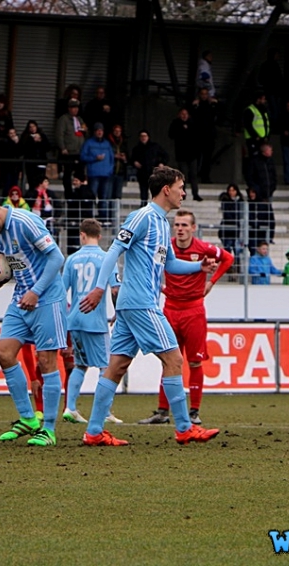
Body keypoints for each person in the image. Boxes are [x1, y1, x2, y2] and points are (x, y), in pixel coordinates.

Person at [77, 166, 220, 446]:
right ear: (166, 189)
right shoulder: (142, 217)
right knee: (175, 360)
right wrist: (98, 287)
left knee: (117, 366)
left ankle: (93, 432)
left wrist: (198, 267)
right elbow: (114, 251)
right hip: (142, 304)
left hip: (133, 306)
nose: (184, 192)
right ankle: (184, 428)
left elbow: (168, 264)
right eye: (181, 187)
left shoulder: (162, 223)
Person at [0, 195, 68, 447]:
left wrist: (36, 291)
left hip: (47, 298)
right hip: (21, 298)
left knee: (46, 361)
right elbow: (17, 264)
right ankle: (28, 419)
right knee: (4, 354)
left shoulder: (25, 222)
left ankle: (49, 429)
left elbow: (56, 258)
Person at [139, 209, 234, 426]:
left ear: (193, 228)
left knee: (194, 361)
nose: (180, 229)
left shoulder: (203, 249)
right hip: (170, 310)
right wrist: (160, 287)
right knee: (168, 361)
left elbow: (228, 258)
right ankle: (162, 412)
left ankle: (194, 412)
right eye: (177, 225)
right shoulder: (166, 247)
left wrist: (211, 282)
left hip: (194, 312)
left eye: (184, 225)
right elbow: (149, 266)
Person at [61, 219, 122, 425]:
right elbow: (115, 289)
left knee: (80, 364)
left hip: (75, 319)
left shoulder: (71, 259)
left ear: (82, 235)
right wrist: (117, 312)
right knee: (107, 366)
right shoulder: (106, 258)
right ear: (100, 236)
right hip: (95, 321)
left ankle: (70, 408)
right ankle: (104, 411)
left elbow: (62, 292)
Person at [80, 122, 115, 221]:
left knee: (103, 197)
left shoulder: (107, 143)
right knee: (92, 196)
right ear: (94, 132)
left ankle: (102, 218)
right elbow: (83, 156)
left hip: (106, 174)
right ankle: (90, 217)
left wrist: (110, 170)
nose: (100, 132)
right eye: (98, 130)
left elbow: (112, 158)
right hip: (93, 174)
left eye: (101, 130)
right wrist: (95, 158)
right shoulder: (88, 143)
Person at [168, 107, 202, 201]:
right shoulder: (175, 123)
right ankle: (182, 194)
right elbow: (171, 135)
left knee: (193, 175)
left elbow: (197, 136)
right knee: (183, 175)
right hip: (181, 154)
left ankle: (195, 194)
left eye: (185, 114)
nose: (184, 116)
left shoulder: (193, 123)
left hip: (192, 154)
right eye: (182, 114)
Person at [56, 99, 87, 194]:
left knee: (80, 174)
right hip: (69, 152)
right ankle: (68, 195)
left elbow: (84, 132)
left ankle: (79, 193)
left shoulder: (79, 119)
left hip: (79, 152)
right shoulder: (63, 119)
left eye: (77, 107)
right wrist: (63, 147)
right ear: (69, 108)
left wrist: (85, 130)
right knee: (68, 175)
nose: (75, 110)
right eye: (73, 107)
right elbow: (59, 134)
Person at [247, 143, 277, 242]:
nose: (272, 152)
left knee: (269, 217)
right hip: (258, 195)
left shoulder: (271, 162)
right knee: (259, 217)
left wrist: (272, 189)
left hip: (268, 194)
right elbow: (250, 177)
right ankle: (259, 237)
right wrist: (256, 191)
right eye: (270, 150)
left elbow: (273, 177)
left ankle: (269, 237)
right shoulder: (255, 161)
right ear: (265, 151)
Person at [130, 130, 168, 207]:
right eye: (141, 136)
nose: (143, 138)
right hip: (142, 173)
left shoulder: (155, 146)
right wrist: (134, 162)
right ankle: (143, 206)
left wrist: (161, 163)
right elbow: (131, 159)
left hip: (154, 173)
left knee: (155, 191)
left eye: (145, 136)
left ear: (148, 137)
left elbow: (165, 155)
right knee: (143, 192)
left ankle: (156, 206)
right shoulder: (136, 148)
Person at [191, 88, 218, 184]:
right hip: (197, 136)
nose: (204, 96)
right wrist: (194, 106)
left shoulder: (211, 106)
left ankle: (205, 177)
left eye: (206, 94)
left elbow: (217, 116)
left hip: (209, 136)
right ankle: (194, 177)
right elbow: (193, 118)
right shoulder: (195, 105)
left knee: (207, 159)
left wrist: (215, 104)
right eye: (202, 94)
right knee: (196, 158)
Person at [20, 120, 50, 190]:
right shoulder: (25, 137)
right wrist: (32, 141)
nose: (32, 128)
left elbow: (48, 147)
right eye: (30, 127)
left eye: (34, 126)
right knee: (31, 181)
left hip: (41, 162)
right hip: (30, 163)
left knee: (40, 180)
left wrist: (40, 141)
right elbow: (22, 149)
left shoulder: (42, 136)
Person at [218, 183, 245, 256]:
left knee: (237, 251)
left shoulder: (241, 202)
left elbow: (241, 214)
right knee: (228, 249)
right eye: (230, 190)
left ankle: (237, 266)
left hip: (237, 230)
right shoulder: (225, 201)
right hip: (227, 229)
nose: (231, 192)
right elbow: (227, 214)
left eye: (233, 190)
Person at [108, 124, 128, 211]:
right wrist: (114, 156)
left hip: (120, 172)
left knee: (118, 195)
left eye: (119, 131)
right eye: (116, 131)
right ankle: (109, 214)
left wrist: (124, 158)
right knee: (109, 194)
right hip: (110, 172)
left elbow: (128, 156)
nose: (117, 133)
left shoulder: (124, 142)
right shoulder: (108, 142)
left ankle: (116, 214)